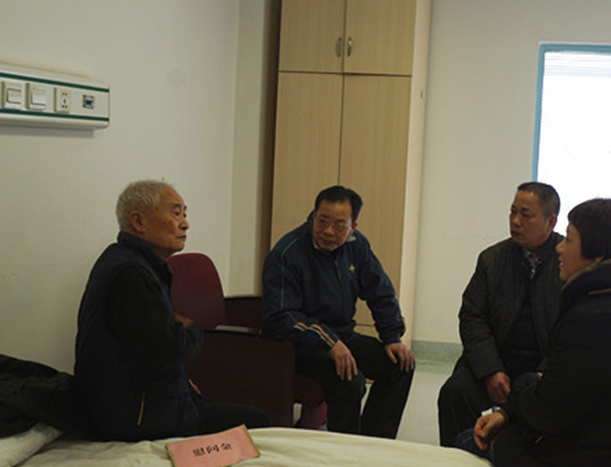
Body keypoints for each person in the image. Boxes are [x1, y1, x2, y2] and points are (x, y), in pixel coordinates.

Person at [463, 198, 611, 467]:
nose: (560, 248)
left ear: (597, 254)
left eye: (570, 240)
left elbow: (547, 413)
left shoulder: (598, 317)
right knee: (461, 395)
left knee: (470, 441)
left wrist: (520, 390)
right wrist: (508, 412)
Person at [74, 180, 270, 441]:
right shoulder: (132, 275)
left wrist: (180, 379)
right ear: (138, 221)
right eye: (176, 213)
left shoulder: (126, 260)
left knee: (240, 413)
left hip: (135, 402)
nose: (185, 224)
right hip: (132, 417)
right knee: (259, 423)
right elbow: (169, 348)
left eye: (184, 214)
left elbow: (146, 347)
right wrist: (192, 330)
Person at [262, 185, 415, 438]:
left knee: (400, 365)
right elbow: (280, 317)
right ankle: (345, 450)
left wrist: (392, 337)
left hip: (342, 337)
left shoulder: (357, 245)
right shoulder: (287, 253)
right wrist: (329, 341)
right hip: (300, 347)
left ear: (353, 227)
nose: (328, 231)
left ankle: (374, 443)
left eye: (339, 225)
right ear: (313, 215)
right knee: (350, 381)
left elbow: (380, 291)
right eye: (322, 221)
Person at [438, 182, 562, 447]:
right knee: (455, 393)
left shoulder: (567, 263)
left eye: (526, 215)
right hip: (495, 359)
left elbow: (571, 331)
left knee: (539, 403)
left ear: (551, 222)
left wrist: (544, 372)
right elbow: (472, 317)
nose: (515, 221)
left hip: (542, 368)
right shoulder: (492, 259)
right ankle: (454, 461)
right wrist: (491, 370)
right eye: (512, 212)